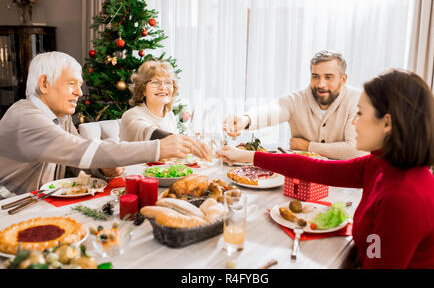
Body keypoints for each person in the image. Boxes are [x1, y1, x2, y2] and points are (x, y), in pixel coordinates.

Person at [217, 69, 434, 269]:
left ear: (387, 123)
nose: (354, 122)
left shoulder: (403, 197)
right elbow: (315, 169)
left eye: (360, 114)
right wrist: (250, 156)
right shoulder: (381, 165)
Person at [0, 52, 209, 198]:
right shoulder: (25, 119)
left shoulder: (61, 118)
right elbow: (82, 150)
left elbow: (75, 164)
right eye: (72, 84)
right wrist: (159, 147)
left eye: (80, 86)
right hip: (8, 210)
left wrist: (102, 168)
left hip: (36, 204)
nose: (80, 93)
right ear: (44, 84)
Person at [223, 50, 367, 160]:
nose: (321, 84)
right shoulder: (297, 99)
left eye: (328, 77)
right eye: (315, 77)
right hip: (302, 181)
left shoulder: (357, 100)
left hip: (344, 186)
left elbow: (356, 150)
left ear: (343, 79)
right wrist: (246, 120)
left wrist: (308, 147)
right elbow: (274, 110)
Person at [120, 60, 179, 142]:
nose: (163, 87)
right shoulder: (131, 116)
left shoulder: (169, 115)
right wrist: (184, 141)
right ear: (143, 89)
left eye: (168, 82)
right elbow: (150, 133)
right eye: (155, 82)